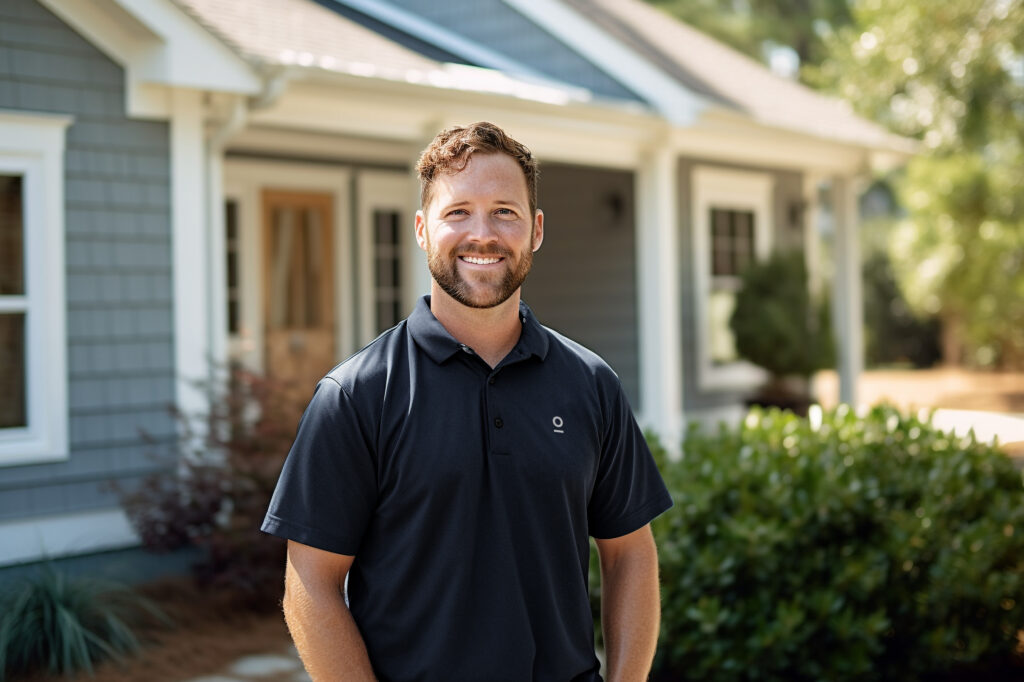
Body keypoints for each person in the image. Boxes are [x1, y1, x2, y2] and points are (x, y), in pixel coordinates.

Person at [261, 121, 673, 681]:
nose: (483, 233)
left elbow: (629, 554)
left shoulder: (590, 384)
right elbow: (309, 583)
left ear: (537, 230)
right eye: (458, 212)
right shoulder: (356, 395)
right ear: (422, 230)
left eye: (506, 211)